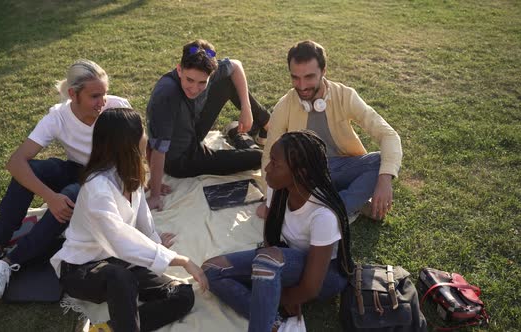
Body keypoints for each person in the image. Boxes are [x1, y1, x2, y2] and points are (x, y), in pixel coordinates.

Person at [0, 60, 130, 299]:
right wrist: (49, 197)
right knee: (34, 169)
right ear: (73, 94)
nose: (102, 101)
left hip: (106, 180)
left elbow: (139, 146)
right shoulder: (58, 116)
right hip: (78, 169)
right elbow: (16, 162)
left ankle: (10, 263)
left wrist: (145, 189)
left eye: (104, 93)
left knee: (70, 197)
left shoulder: (117, 108)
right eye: (95, 96)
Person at [50, 108, 207, 332]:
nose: (146, 137)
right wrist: (178, 259)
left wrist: (156, 244)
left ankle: (107, 329)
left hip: (121, 262)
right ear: (128, 143)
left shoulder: (129, 174)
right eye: (142, 132)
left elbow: (143, 220)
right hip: (81, 270)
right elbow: (120, 239)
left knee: (182, 295)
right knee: (119, 277)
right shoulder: (98, 189)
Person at [203, 130, 353, 332]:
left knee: (267, 262)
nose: (266, 168)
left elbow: (311, 287)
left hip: (325, 276)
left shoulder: (322, 215)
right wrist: (267, 293)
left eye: (275, 163)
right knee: (211, 271)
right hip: (283, 260)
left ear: (299, 172)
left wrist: (280, 295)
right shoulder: (278, 188)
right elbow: (270, 238)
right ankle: (275, 323)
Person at [257, 40, 402, 221]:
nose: (301, 86)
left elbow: (388, 135)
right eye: (295, 77)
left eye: (309, 77)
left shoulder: (345, 95)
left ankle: (330, 212)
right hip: (305, 176)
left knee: (381, 161)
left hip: (340, 167)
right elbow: (268, 155)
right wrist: (270, 201)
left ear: (324, 71)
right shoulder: (284, 106)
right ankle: (343, 207)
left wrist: (385, 180)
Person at [146, 39, 271, 210]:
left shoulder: (206, 72)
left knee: (229, 81)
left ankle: (265, 125)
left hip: (193, 128)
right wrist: (154, 192)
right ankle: (240, 137)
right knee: (261, 158)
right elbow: (157, 149)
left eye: (202, 82)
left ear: (210, 75)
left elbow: (236, 65)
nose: (194, 88)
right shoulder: (167, 97)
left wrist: (246, 107)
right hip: (181, 159)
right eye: (189, 80)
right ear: (179, 69)